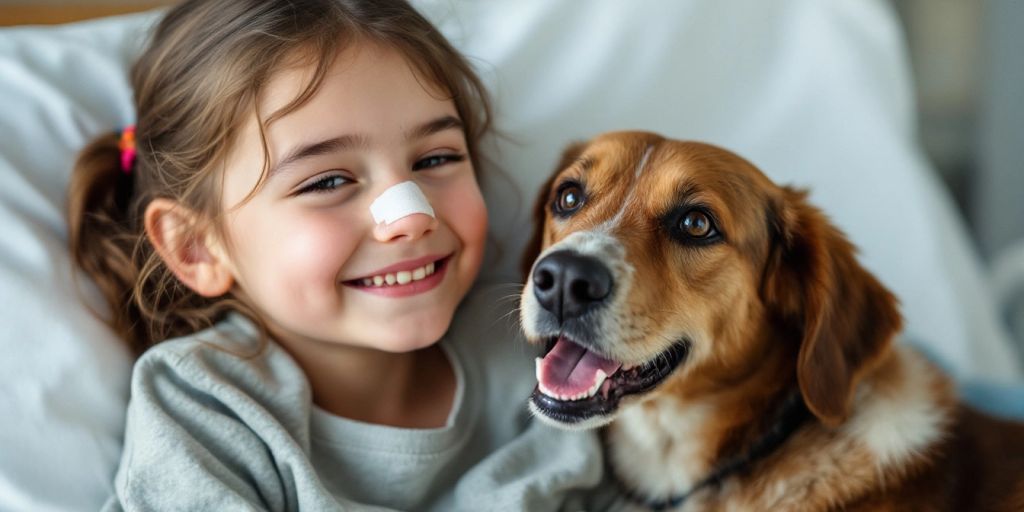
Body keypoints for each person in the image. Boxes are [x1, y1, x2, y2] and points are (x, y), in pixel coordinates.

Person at [66, 0, 605, 509]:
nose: (412, 215)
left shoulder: (536, 354)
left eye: (436, 157)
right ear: (196, 246)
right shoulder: (202, 406)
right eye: (326, 180)